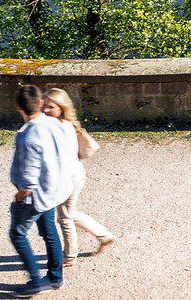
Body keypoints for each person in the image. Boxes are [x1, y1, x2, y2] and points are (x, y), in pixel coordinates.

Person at [9, 83, 74, 295]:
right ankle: (56, 278)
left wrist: (19, 198)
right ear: (40, 103)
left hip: (37, 196)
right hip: (55, 190)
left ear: (19, 109)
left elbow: (28, 181)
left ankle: (36, 281)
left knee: (17, 234)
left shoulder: (28, 136)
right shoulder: (55, 124)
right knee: (49, 232)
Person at [44, 87, 117, 260]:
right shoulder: (67, 125)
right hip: (76, 175)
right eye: (44, 106)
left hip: (67, 178)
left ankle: (69, 256)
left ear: (61, 107)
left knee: (64, 218)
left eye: (51, 107)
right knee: (69, 212)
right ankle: (103, 235)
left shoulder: (58, 128)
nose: (46, 110)